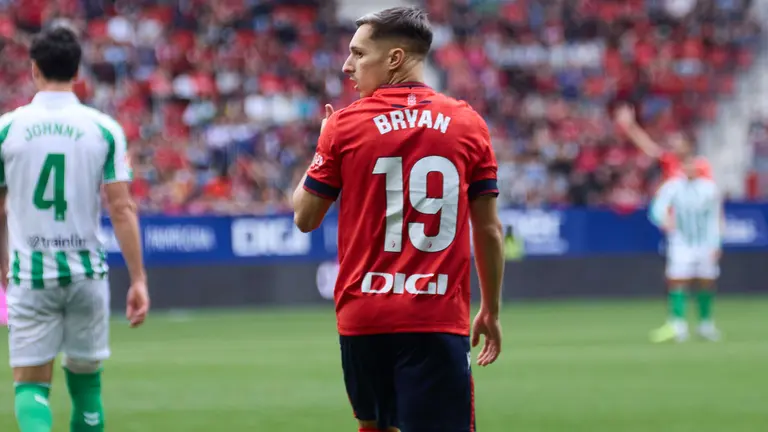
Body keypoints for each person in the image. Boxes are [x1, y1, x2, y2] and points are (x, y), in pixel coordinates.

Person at [292, 7, 504, 432]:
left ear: (394, 59)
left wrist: (322, 141)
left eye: (358, 53)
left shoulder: (344, 126)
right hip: (435, 317)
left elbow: (304, 216)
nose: (346, 65)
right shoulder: (467, 124)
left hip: (363, 319)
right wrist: (491, 310)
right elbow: (488, 229)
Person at [1, 26, 149, 432]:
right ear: (78, 71)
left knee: (30, 387)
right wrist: (138, 279)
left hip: (30, 275)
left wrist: (3, 270)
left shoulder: (7, 129)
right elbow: (121, 207)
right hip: (86, 274)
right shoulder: (103, 128)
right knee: (87, 386)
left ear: (33, 69)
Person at [648, 154, 723, 343]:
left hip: (705, 242)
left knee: (706, 281)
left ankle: (705, 324)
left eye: (693, 164)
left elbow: (716, 217)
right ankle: (677, 324)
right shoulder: (673, 186)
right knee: (677, 280)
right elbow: (656, 209)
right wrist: (665, 221)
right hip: (681, 242)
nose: (690, 168)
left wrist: (717, 243)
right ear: (682, 166)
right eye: (686, 164)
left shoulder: (709, 188)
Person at [614, 104, 712, 180]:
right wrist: (630, 125)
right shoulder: (670, 161)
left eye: (678, 140)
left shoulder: (701, 165)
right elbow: (648, 146)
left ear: (688, 145)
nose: (673, 143)